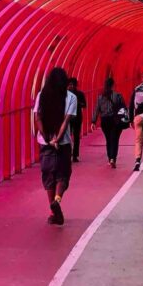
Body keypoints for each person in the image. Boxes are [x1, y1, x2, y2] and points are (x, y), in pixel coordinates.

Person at [33, 67, 77, 225]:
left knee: (48, 175)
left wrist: (46, 138)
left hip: (45, 144)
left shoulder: (41, 95)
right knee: (63, 174)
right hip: (62, 144)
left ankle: (53, 211)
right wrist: (57, 140)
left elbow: (38, 116)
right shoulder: (71, 97)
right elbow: (66, 121)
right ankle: (57, 201)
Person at [91, 78, 126, 168]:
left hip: (104, 121)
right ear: (113, 85)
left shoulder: (100, 97)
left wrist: (93, 121)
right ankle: (113, 158)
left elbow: (96, 110)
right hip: (115, 120)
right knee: (115, 139)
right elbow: (123, 108)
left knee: (108, 139)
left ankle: (110, 157)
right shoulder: (118, 96)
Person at [67, 77, 87, 162]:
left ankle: (75, 155)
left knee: (76, 137)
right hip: (68, 118)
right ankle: (68, 153)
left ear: (75, 85)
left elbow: (84, 105)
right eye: (69, 84)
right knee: (67, 137)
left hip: (77, 117)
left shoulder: (80, 94)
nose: (71, 86)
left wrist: (78, 103)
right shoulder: (65, 94)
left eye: (72, 84)